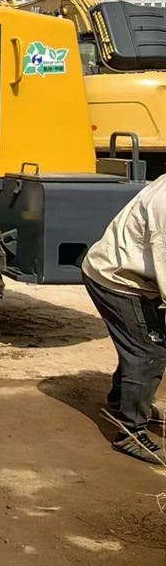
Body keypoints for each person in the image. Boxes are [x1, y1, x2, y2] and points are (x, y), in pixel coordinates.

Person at [81, 175, 166, 464]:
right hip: (115, 279)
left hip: (135, 275)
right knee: (148, 351)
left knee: (140, 341)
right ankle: (130, 433)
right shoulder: (165, 207)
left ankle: (120, 401)